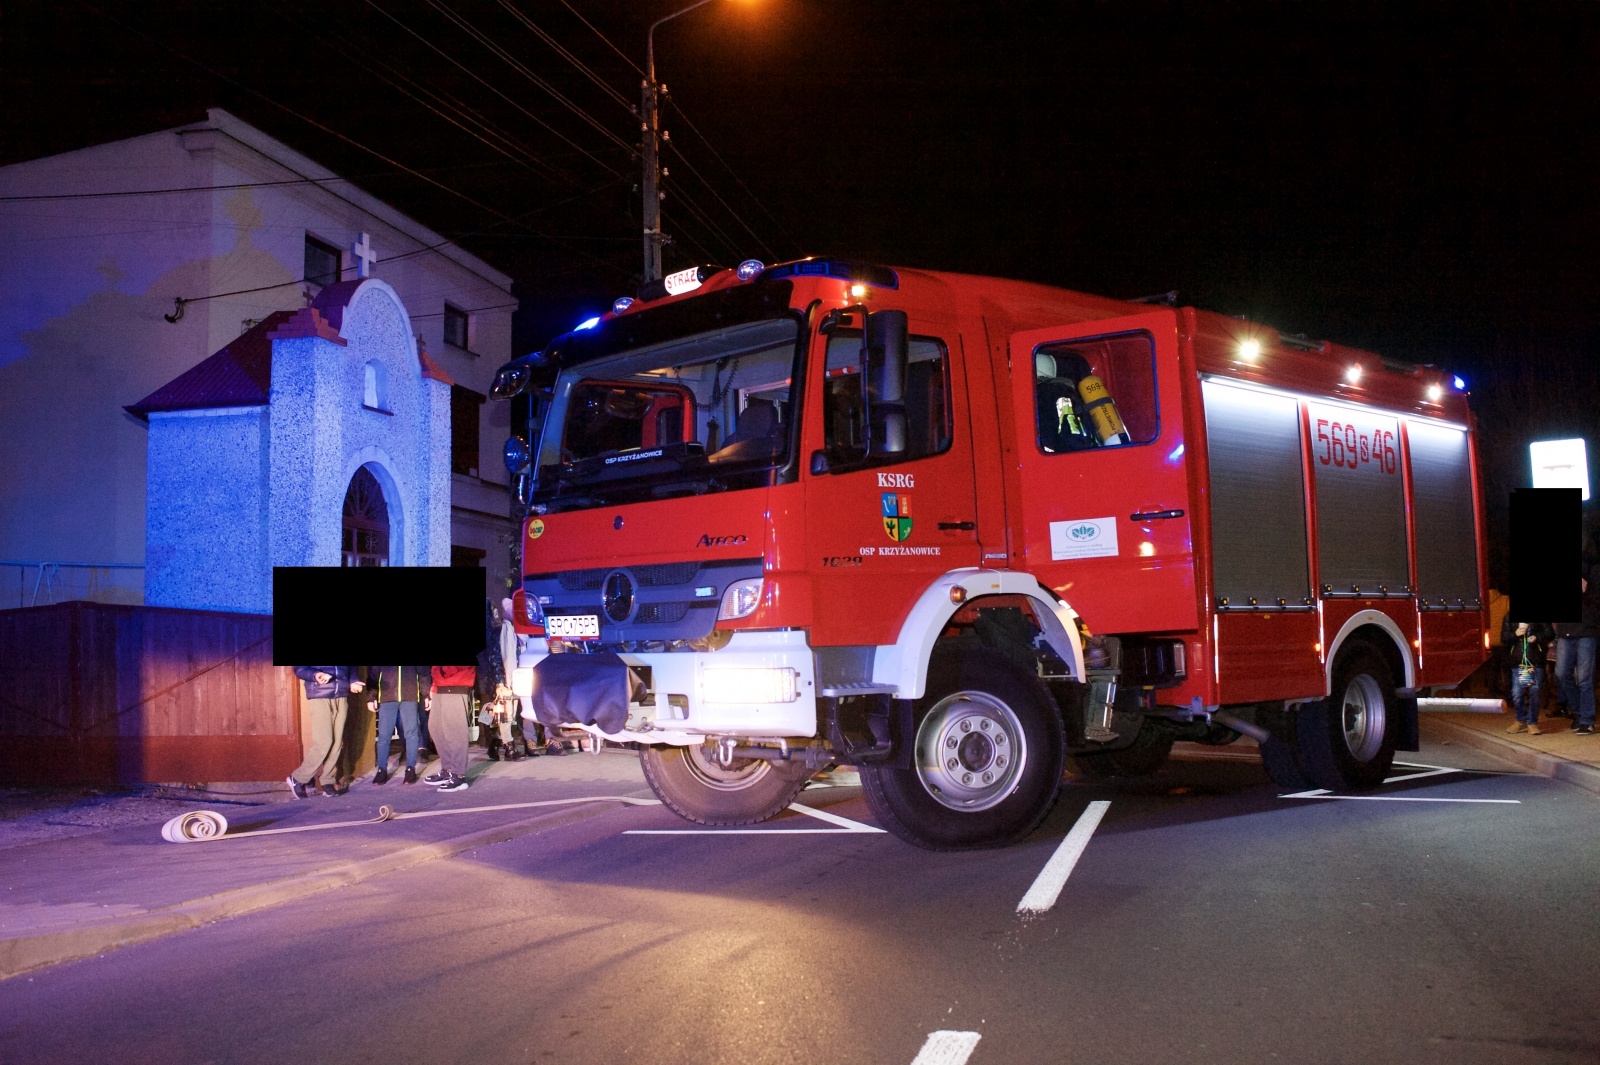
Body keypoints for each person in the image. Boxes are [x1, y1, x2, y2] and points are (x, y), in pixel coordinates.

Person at [287, 666, 365, 798]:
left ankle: (327, 780)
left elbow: (352, 668)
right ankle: (299, 778)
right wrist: (315, 674)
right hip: (319, 694)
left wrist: (353, 681)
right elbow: (299, 668)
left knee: (337, 743)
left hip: (341, 695)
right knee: (324, 742)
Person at [1552, 562, 1600, 736]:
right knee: (1561, 674)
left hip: (1587, 632)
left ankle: (1587, 720)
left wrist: (1586, 591)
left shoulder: (1593, 570)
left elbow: (1596, 601)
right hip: (1565, 633)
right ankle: (1579, 712)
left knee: (1584, 678)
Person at [367, 664, 430, 784]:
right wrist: (371, 697)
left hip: (410, 695)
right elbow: (373, 674)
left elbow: (423, 672)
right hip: (387, 696)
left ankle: (410, 768)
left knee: (411, 733)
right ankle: (382, 770)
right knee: (384, 735)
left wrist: (426, 694)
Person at [425, 661, 475, 791]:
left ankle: (458, 775)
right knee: (436, 727)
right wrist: (435, 684)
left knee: (455, 730)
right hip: (440, 684)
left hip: (456, 682)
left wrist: (442, 675)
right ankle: (448, 769)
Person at [1500, 615, 1553, 735]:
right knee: (1518, 694)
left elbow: (1549, 633)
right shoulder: (1509, 616)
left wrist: (1537, 637)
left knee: (1535, 691)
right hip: (1519, 661)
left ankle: (1532, 722)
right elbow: (1503, 638)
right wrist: (1515, 634)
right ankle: (1520, 719)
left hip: (1534, 660)